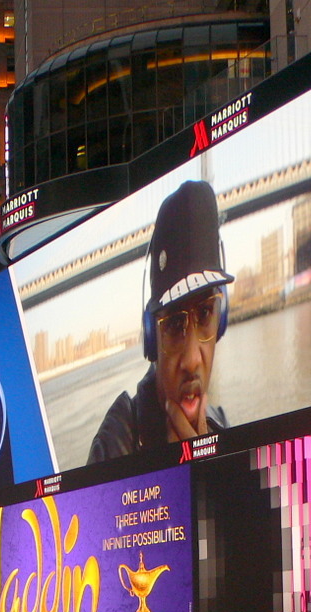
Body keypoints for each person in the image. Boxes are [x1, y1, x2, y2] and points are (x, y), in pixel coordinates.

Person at [89, 179, 232, 462]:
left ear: (222, 319)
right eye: (174, 326)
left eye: (205, 313)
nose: (192, 360)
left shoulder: (220, 424)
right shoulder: (118, 439)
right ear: (151, 336)